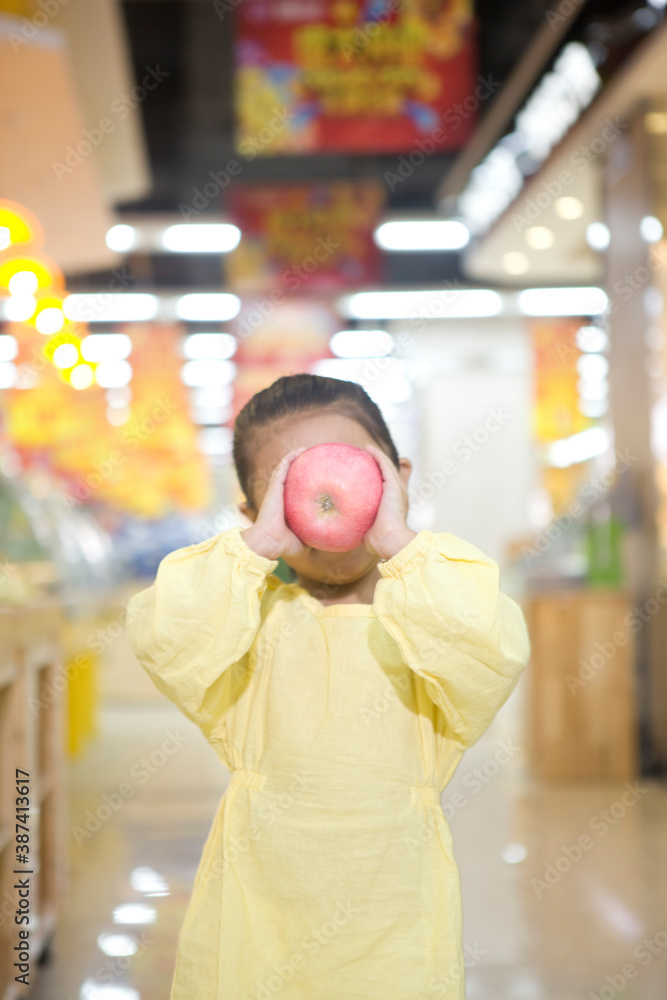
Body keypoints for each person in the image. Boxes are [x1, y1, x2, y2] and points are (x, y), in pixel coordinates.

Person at [126, 372, 531, 1000]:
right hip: (255, 928)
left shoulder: (425, 619)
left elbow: (491, 649)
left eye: (356, 473)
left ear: (399, 478)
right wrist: (256, 549)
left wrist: (399, 544)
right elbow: (165, 636)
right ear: (251, 513)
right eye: (286, 488)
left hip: (395, 932)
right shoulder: (248, 621)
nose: (321, 499)